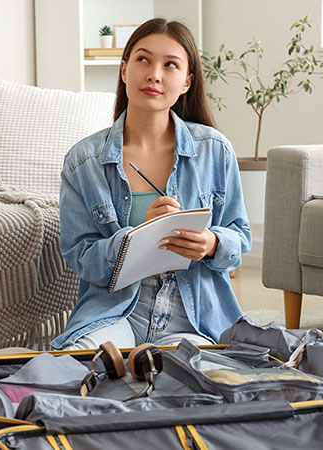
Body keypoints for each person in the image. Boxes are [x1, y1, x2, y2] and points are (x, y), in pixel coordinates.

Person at [50, 18, 251, 351]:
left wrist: (212, 243)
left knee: (192, 376)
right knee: (82, 364)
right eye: (143, 59)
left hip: (192, 317)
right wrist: (137, 237)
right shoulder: (83, 161)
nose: (154, 74)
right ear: (124, 69)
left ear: (187, 82)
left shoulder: (215, 150)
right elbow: (81, 257)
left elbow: (239, 236)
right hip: (114, 313)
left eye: (170, 65)